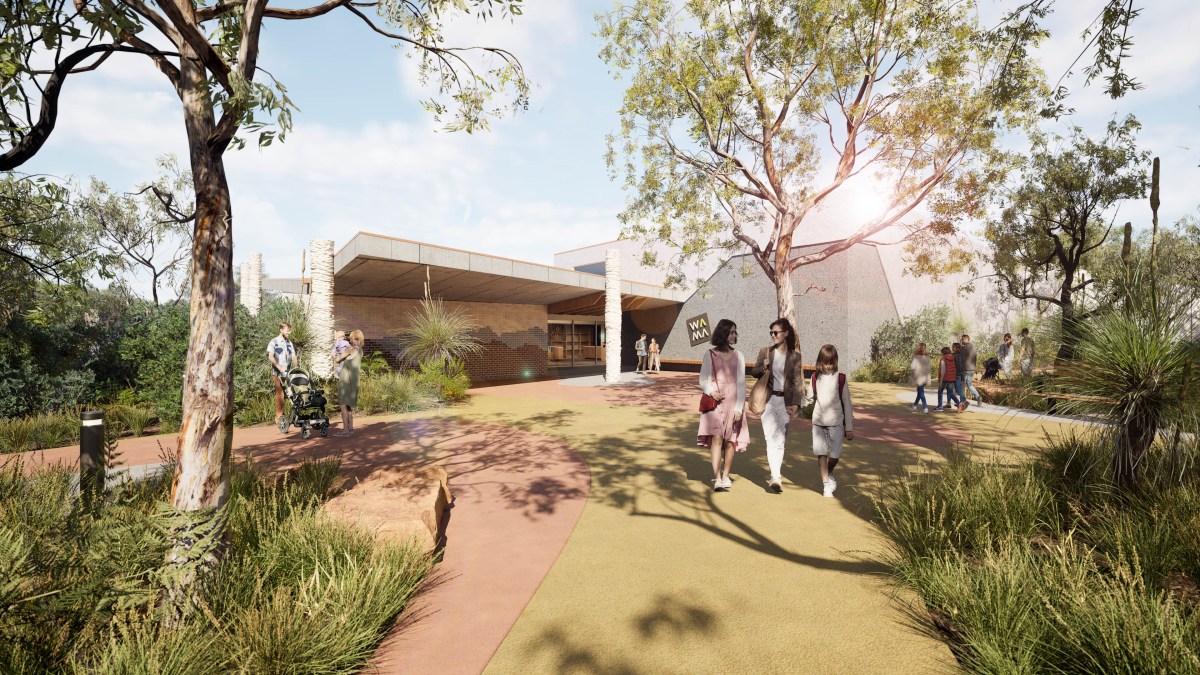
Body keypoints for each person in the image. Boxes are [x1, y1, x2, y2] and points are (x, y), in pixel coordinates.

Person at [751, 318, 805, 493]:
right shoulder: (765, 352)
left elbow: (797, 381)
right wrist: (763, 367)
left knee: (780, 440)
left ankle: (776, 475)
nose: (773, 335)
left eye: (776, 332)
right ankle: (776, 477)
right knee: (769, 438)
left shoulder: (795, 357)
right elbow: (754, 372)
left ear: (786, 333)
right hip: (768, 400)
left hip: (785, 402)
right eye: (771, 333)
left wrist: (796, 404)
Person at [698, 319, 748, 491]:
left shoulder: (739, 356)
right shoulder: (709, 354)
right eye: (732, 332)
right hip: (715, 404)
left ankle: (726, 476)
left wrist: (739, 408)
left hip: (733, 403)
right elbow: (703, 378)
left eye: (735, 332)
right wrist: (711, 391)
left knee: (730, 442)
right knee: (716, 439)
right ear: (723, 333)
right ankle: (717, 478)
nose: (735, 335)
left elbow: (742, 383)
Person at [810, 344, 853, 498]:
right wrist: (795, 407)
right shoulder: (815, 377)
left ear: (835, 361)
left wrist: (849, 427)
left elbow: (847, 403)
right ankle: (826, 484)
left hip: (836, 422)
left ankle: (829, 472)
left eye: (831, 363)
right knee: (821, 453)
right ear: (820, 361)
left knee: (835, 455)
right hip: (818, 422)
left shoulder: (840, 378)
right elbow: (808, 397)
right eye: (825, 362)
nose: (828, 366)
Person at [266, 322, 295, 432]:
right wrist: (279, 367)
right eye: (287, 330)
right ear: (281, 330)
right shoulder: (274, 342)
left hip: (288, 373)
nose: (289, 332)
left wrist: (296, 367)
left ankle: (287, 417)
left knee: (291, 393)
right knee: (281, 395)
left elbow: (294, 356)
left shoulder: (289, 343)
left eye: (289, 330)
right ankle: (279, 417)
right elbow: (270, 356)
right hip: (278, 373)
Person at [334, 329, 363, 436]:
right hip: (354, 381)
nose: (350, 341)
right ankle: (350, 428)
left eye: (351, 338)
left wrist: (335, 350)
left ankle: (345, 430)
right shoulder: (360, 350)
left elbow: (337, 359)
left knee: (342, 405)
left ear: (355, 338)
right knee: (348, 405)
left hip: (345, 380)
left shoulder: (350, 349)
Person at [936, 346, 962, 412]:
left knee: (940, 391)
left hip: (944, 379)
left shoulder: (943, 359)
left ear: (943, 352)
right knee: (950, 393)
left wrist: (940, 381)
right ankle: (959, 403)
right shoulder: (952, 358)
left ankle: (939, 406)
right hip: (951, 379)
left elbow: (943, 370)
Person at [959, 334, 981, 406]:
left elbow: (962, 359)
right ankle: (978, 396)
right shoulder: (973, 347)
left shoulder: (964, 348)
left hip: (965, 369)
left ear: (967, 339)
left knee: (962, 385)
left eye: (963, 339)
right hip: (972, 368)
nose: (961, 341)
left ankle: (963, 401)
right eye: (961, 339)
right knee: (969, 384)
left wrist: (960, 369)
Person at [909, 343, 931, 413]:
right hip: (926, 376)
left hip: (919, 376)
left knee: (921, 392)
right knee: (920, 391)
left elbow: (912, 366)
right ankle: (915, 406)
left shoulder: (916, 357)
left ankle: (925, 408)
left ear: (919, 348)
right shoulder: (927, 357)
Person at [951, 343, 970, 412]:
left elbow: (958, 366)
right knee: (958, 389)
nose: (952, 348)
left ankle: (964, 401)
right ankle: (962, 403)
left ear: (957, 348)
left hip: (956, 374)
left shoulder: (954, 355)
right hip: (960, 374)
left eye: (954, 347)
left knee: (957, 389)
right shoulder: (962, 355)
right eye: (952, 347)